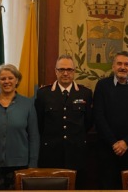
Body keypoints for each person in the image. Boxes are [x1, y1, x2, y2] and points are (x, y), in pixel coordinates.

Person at [34, 55, 93, 189]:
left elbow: (88, 121)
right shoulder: (43, 94)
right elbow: (39, 122)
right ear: (55, 71)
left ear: (74, 71)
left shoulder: (85, 93)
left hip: (76, 153)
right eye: (61, 70)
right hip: (51, 153)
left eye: (69, 70)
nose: (65, 73)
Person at [94, 51, 128, 189]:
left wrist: (126, 142)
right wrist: (114, 143)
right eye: (119, 63)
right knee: (107, 187)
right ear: (113, 66)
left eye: (126, 64)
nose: (122, 67)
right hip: (107, 149)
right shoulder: (102, 86)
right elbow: (98, 116)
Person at [0, 64, 40, 190]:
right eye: (3, 79)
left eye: (10, 78)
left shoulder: (28, 104)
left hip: (20, 165)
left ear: (17, 80)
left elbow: (34, 136)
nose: (7, 81)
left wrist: (33, 165)